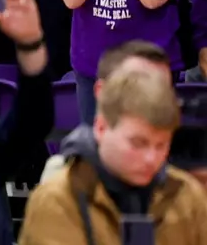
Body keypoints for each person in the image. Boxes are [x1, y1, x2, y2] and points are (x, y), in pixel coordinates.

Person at [22, 64, 207, 244]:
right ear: (101, 128)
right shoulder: (56, 200)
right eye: (137, 143)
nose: (151, 158)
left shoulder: (188, 196)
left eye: (161, 145)